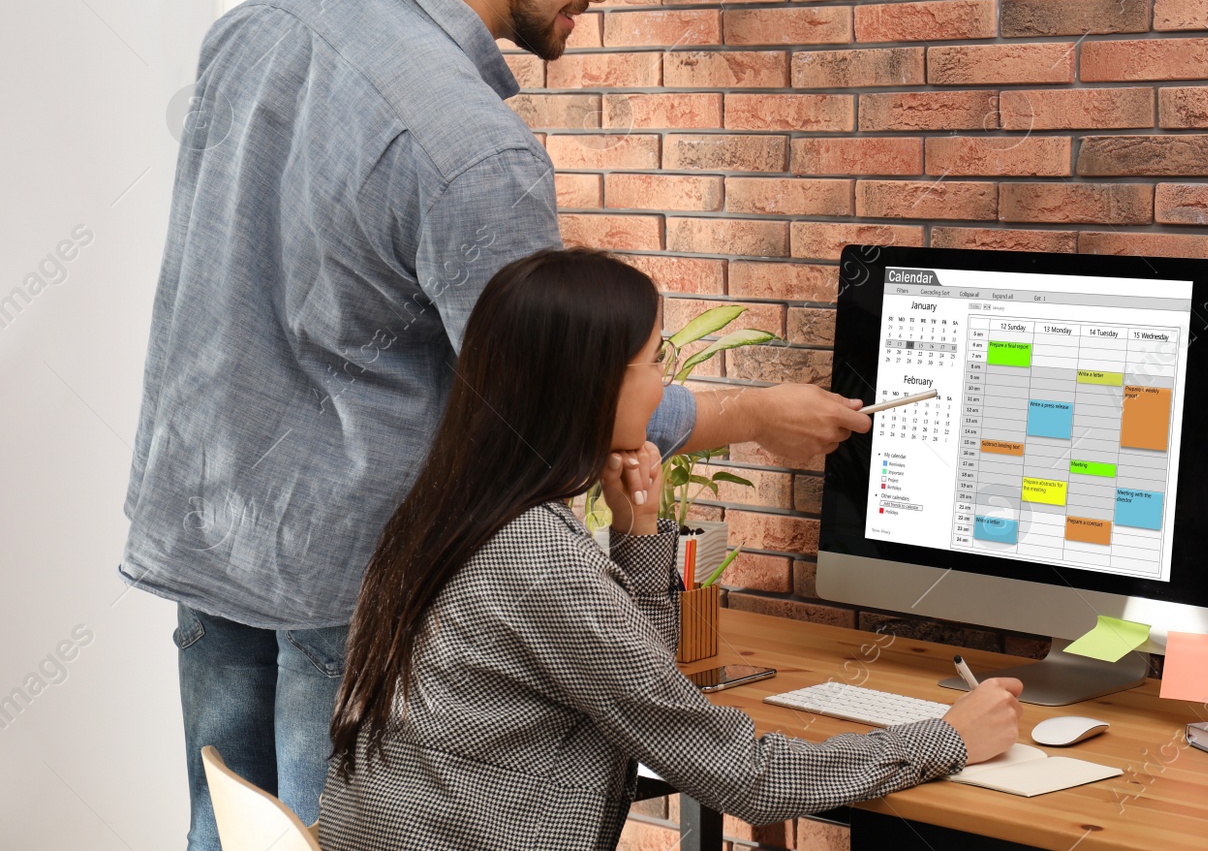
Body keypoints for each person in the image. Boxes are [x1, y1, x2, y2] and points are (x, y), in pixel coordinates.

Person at [119, 0, 869, 849]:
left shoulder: (259, 25)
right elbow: (550, 400)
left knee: (238, 828)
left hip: (207, 527)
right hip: (348, 576)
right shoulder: (474, 147)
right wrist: (754, 414)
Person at [316, 249, 1025, 851]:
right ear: (593, 386)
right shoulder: (537, 558)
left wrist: (638, 534)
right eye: (654, 360)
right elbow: (744, 776)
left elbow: (628, 685)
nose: (665, 386)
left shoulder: (447, 508)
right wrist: (947, 737)